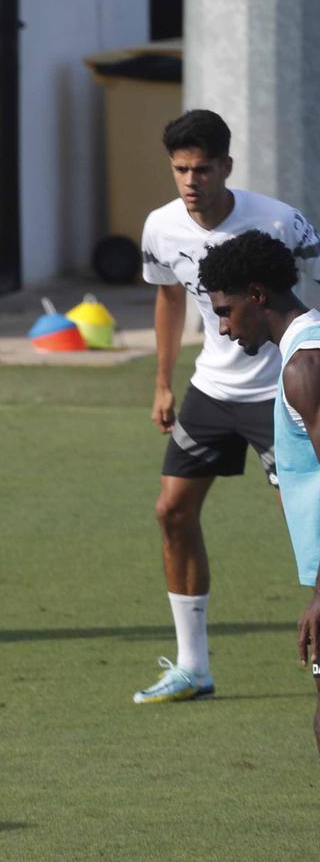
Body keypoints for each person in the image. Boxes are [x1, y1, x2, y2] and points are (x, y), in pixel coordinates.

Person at [137, 109, 320, 703]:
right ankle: (194, 666)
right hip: (212, 390)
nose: (191, 181)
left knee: (303, 519)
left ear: (226, 167)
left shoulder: (278, 220)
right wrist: (163, 380)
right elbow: (168, 298)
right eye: (180, 169)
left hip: (283, 390)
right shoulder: (161, 228)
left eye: (202, 169)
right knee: (172, 511)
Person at [195, 232, 320, 862]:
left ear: (258, 297)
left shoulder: (305, 367)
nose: (222, 327)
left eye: (225, 311)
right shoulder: (305, 353)